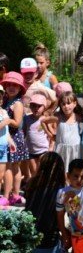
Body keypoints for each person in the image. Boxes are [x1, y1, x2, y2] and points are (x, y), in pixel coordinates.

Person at [25, 152, 66, 252]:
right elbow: (60, 217)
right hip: (48, 241)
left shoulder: (31, 184)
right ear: (60, 170)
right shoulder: (60, 191)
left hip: (29, 236)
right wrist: (65, 235)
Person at [1, 71, 29, 206]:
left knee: (10, 167)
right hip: (9, 137)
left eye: (15, 85)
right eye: (9, 84)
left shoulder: (17, 103)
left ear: (20, 88)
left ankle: (7, 196)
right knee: (14, 167)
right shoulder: (6, 100)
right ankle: (15, 195)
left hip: (15, 138)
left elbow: (17, 123)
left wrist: (6, 121)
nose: (12, 87)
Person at [42, 92, 83, 172]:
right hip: (62, 150)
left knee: (74, 170)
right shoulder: (58, 117)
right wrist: (50, 134)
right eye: (63, 104)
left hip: (75, 149)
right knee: (61, 171)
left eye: (68, 103)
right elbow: (43, 121)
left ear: (75, 103)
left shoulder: (78, 117)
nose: (66, 106)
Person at [23, 94, 50, 177]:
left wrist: (51, 146)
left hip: (43, 149)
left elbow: (51, 133)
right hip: (31, 150)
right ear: (30, 106)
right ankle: (35, 186)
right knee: (34, 171)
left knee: (43, 170)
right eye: (33, 106)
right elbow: (23, 131)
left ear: (44, 107)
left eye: (39, 106)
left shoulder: (45, 119)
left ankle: (43, 186)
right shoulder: (27, 118)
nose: (36, 108)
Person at [0, 85, 16, 206]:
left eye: (0, 97)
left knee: (1, 174)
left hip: (3, 148)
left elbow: (5, 130)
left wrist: (10, 141)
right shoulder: (5, 117)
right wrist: (8, 121)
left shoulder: (4, 112)